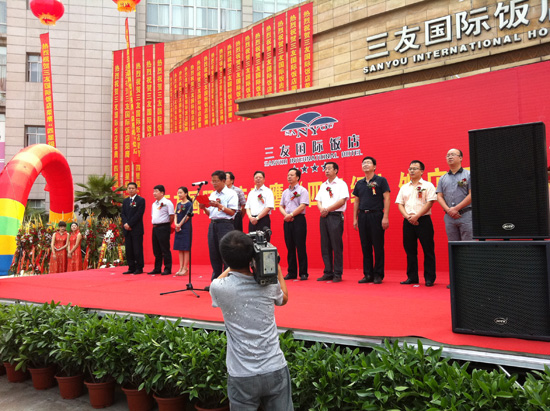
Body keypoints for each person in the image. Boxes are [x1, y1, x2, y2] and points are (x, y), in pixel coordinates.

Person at [209, 230, 293, 411]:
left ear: (225, 259)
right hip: (275, 367)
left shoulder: (220, 288)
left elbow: (216, 281)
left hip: (242, 374)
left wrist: (233, 263)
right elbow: (284, 299)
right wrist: (277, 269)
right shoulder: (269, 284)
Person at [395, 160, 437, 287]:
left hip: (423, 220)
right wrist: (407, 216)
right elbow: (400, 203)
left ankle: (429, 278)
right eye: (410, 169)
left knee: (428, 250)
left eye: (415, 168)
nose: (411, 171)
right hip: (408, 221)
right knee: (410, 250)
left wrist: (417, 216)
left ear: (422, 171)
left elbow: (430, 202)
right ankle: (412, 277)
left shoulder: (428, 185)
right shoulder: (404, 187)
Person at [352, 156, 390, 284]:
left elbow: (387, 198)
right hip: (363, 216)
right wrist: (355, 218)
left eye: (368, 162)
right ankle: (368, 274)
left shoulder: (381, 180)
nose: (365, 164)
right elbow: (356, 201)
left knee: (378, 246)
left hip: (376, 215)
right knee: (365, 246)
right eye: (363, 163)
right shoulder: (359, 183)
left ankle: (378, 274)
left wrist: (385, 216)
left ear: (374, 166)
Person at [199, 170, 238, 280]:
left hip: (225, 225)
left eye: (216, 181)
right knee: (214, 253)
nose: (214, 183)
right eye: (213, 181)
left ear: (223, 181)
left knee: (225, 252)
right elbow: (210, 214)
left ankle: (227, 280)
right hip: (213, 225)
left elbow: (232, 212)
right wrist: (203, 208)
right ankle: (216, 280)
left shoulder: (231, 193)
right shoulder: (212, 194)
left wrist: (219, 206)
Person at [315, 162, 349, 283]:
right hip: (324, 216)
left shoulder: (341, 184)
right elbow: (318, 200)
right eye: (325, 168)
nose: (327, 170)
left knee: (336, 245)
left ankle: (338, 273)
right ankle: (328, 272)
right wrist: (321, 209)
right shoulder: (323, 185)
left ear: (336, 170)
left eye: (329, 168)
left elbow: (342, 201)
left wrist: (327, 209)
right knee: (325, 245)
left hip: (335, 216)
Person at [279, 167, 309, 280]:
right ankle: (291, 272)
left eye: (292, 175)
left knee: (300, 246)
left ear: (297, 177)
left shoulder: (302, 190)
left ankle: (303, 273)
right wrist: (286, 215)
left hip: (298, 220)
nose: (289, 177)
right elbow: (281, 206)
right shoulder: (285, 192)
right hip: (287, 221)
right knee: (290, 246)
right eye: (288, 175)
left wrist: (291, 215)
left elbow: (302, 206)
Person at [436, 149, 472, 241]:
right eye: (448, 155)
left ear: (460, 158)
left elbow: (472, 195)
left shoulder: (469, 174)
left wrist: (456, 209)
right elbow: (439, 196)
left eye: (452, 155)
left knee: (469, 244)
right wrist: (449, 210)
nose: (450, 157)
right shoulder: (442, 178)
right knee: (453, 245)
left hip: (466, 215)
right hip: (449, 217)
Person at [148, 184, 175, 275]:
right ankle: (157, 268)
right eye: (153, 191)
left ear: (162, 193)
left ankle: (167, 268)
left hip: (163, 227)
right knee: (156, 249)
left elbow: (171, 216)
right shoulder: (154, 204)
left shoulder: (167, 202)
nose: (154, 193)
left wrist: (167, 225)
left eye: (156, 191)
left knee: (165, 249)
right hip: (155, 228)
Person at [121, 182, 146, 275]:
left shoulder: (141, 200)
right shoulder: (125, 201)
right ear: (127, 189)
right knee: (129, 249)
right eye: (129, 188)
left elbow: (139, 214)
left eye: (132, 188)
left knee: (137, 249)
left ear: (136, 189)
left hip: (136, 229)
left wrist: (130, 224)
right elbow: (122, 214)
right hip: (127, 229)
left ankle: (139, 267)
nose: (131, 190)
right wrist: (125, 223)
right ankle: (131, 267)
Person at [173, 186, 193, 276]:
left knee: (186, 248)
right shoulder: (178, 204)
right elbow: (176, 214)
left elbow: (187, 216)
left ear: (186, 193)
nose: (179, 194)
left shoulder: (189, 204)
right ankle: (180, 267)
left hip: (185, 228)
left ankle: (185, 268)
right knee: (180, 248)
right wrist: (176, 224)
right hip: (178, 228)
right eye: (178, 193)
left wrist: (180, 224)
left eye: (181, 193)